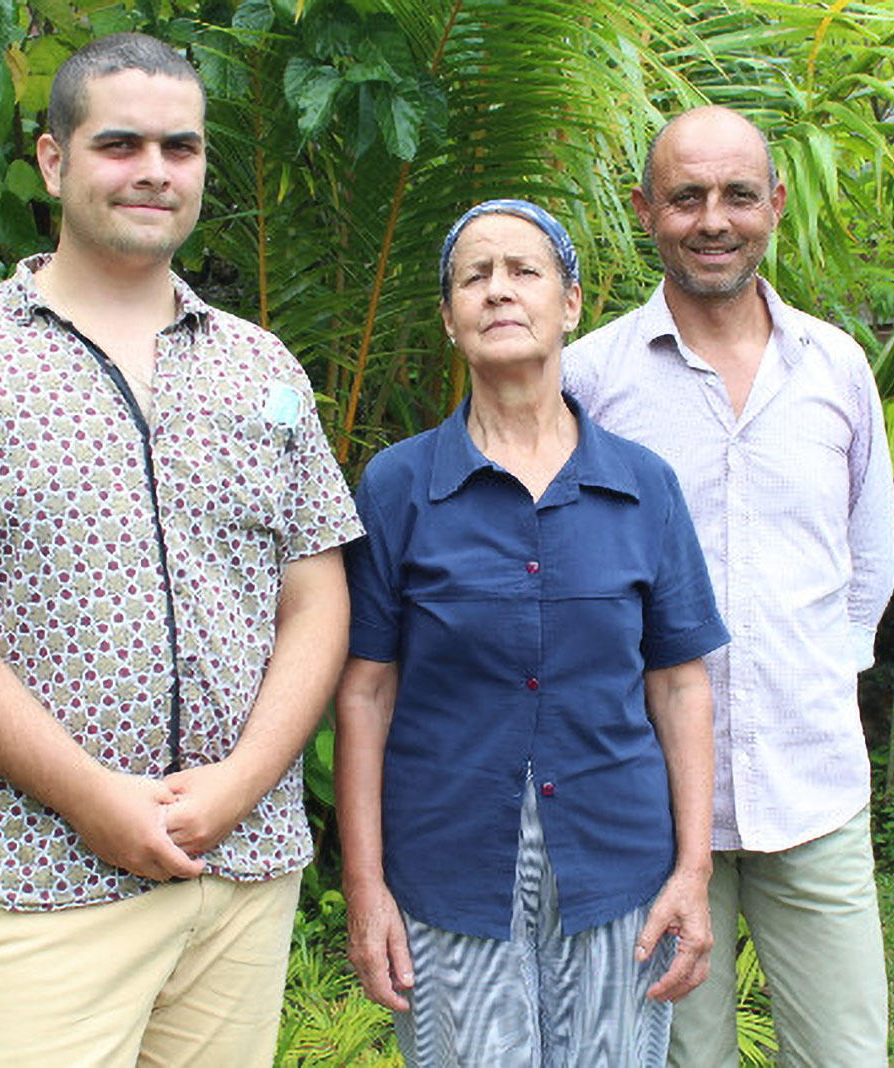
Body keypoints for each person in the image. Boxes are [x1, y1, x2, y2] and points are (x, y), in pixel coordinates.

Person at [0, 33, 362, 1067]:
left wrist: (241, 781)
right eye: (121, 144)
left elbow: (318, 595)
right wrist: (95, 799)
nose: (156, 171)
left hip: (242, 874)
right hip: (38, 882)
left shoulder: (261, 365)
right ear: (53, 159)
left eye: (181, 146)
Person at [336, 199, 730, 1067]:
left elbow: (679, 683)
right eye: (474, 277)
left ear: (572, 304)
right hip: (447, 870)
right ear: (449, 318)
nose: (499, 291)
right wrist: (365, 886)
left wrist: (691, 874)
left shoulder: (643, 485)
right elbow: (364, 690)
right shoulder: (399, 486)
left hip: (617, 867)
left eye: (524, 271)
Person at [564, 106, 894, 1066]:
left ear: (775, 206)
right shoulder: (590, 382)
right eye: (687, 197)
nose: (714, 219)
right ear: (645, 210)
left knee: (847, 1056)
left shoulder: (835, 367)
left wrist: (819, 680)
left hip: (814, 791)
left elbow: (863, 566)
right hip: (651, 809)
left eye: (738, 195)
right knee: (678, 1057)